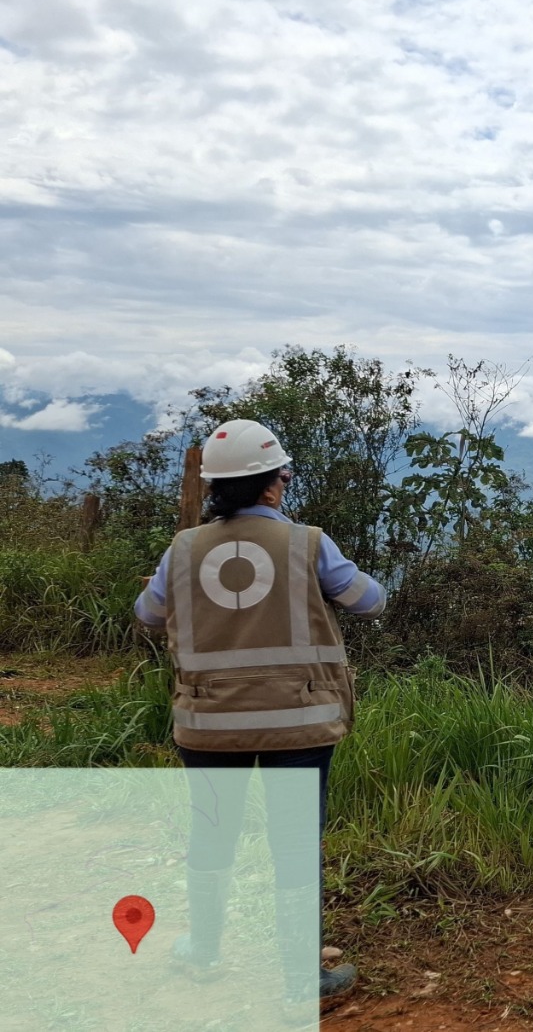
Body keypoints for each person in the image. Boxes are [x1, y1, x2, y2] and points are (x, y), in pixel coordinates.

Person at [133, 418, 386, 1014]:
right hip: (297, 722)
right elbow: (370, 601)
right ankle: (301, 977)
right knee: (294, 847)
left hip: (207, 725)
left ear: (216, 488)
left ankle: (203, 952)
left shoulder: (182, 550)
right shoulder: (308, 543)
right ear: (274, 485)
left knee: (212, 838)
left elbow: (148, 614)